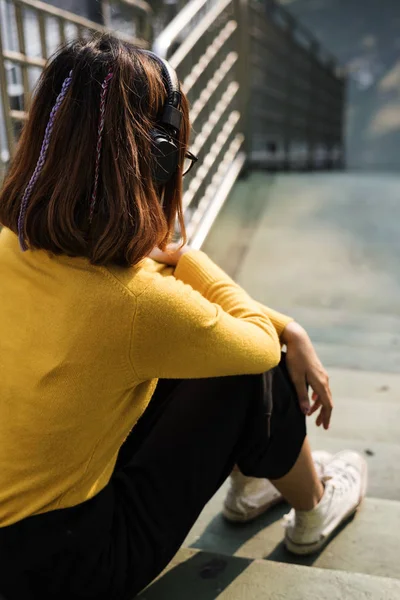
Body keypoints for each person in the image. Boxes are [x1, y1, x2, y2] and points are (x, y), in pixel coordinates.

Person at [0, 34, 367, 600]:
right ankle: (314, 508)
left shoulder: (12, 242)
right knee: (250, 371)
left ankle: (252, 482)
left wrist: (282, 325)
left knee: (210, 345)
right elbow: (260, 350)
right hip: (67, 568)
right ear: (159, 157)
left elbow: (170, 309)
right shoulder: (132, 304)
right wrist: (199, 263)